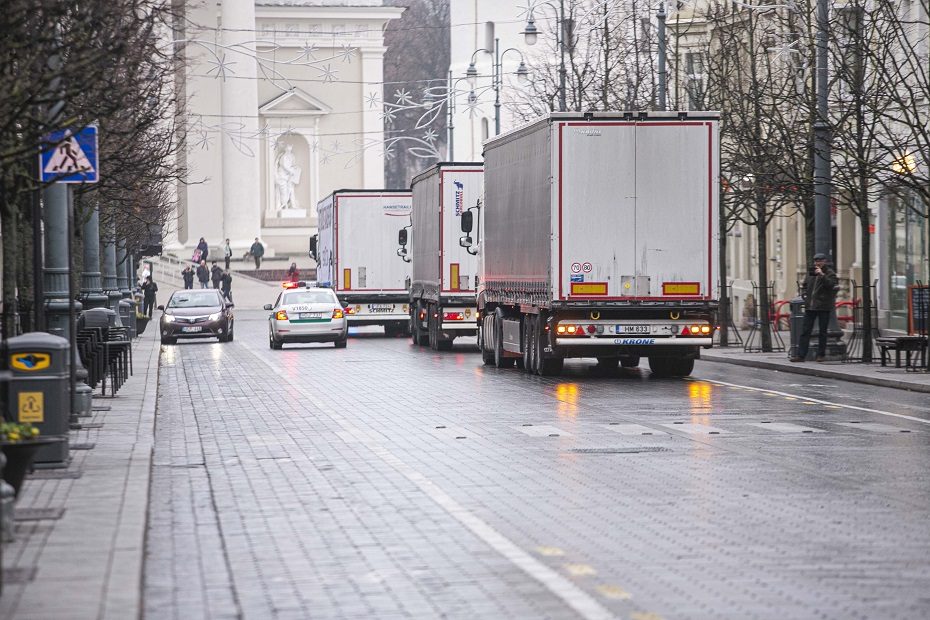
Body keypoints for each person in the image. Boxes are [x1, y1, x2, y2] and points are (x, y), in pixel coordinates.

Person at [791, 253, 839, 363]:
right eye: (816, 261)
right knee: (805, 331)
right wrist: (804, 293)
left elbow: (831, 284)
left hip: (823, 306)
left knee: (823, 332)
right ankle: (801, 355)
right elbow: (806, 285)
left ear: (825, 261)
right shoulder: (811, 272)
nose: (818, 263)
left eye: (820, 261)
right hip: (810, 306)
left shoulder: (829, 273)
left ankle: (820, 355)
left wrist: (822, 275)